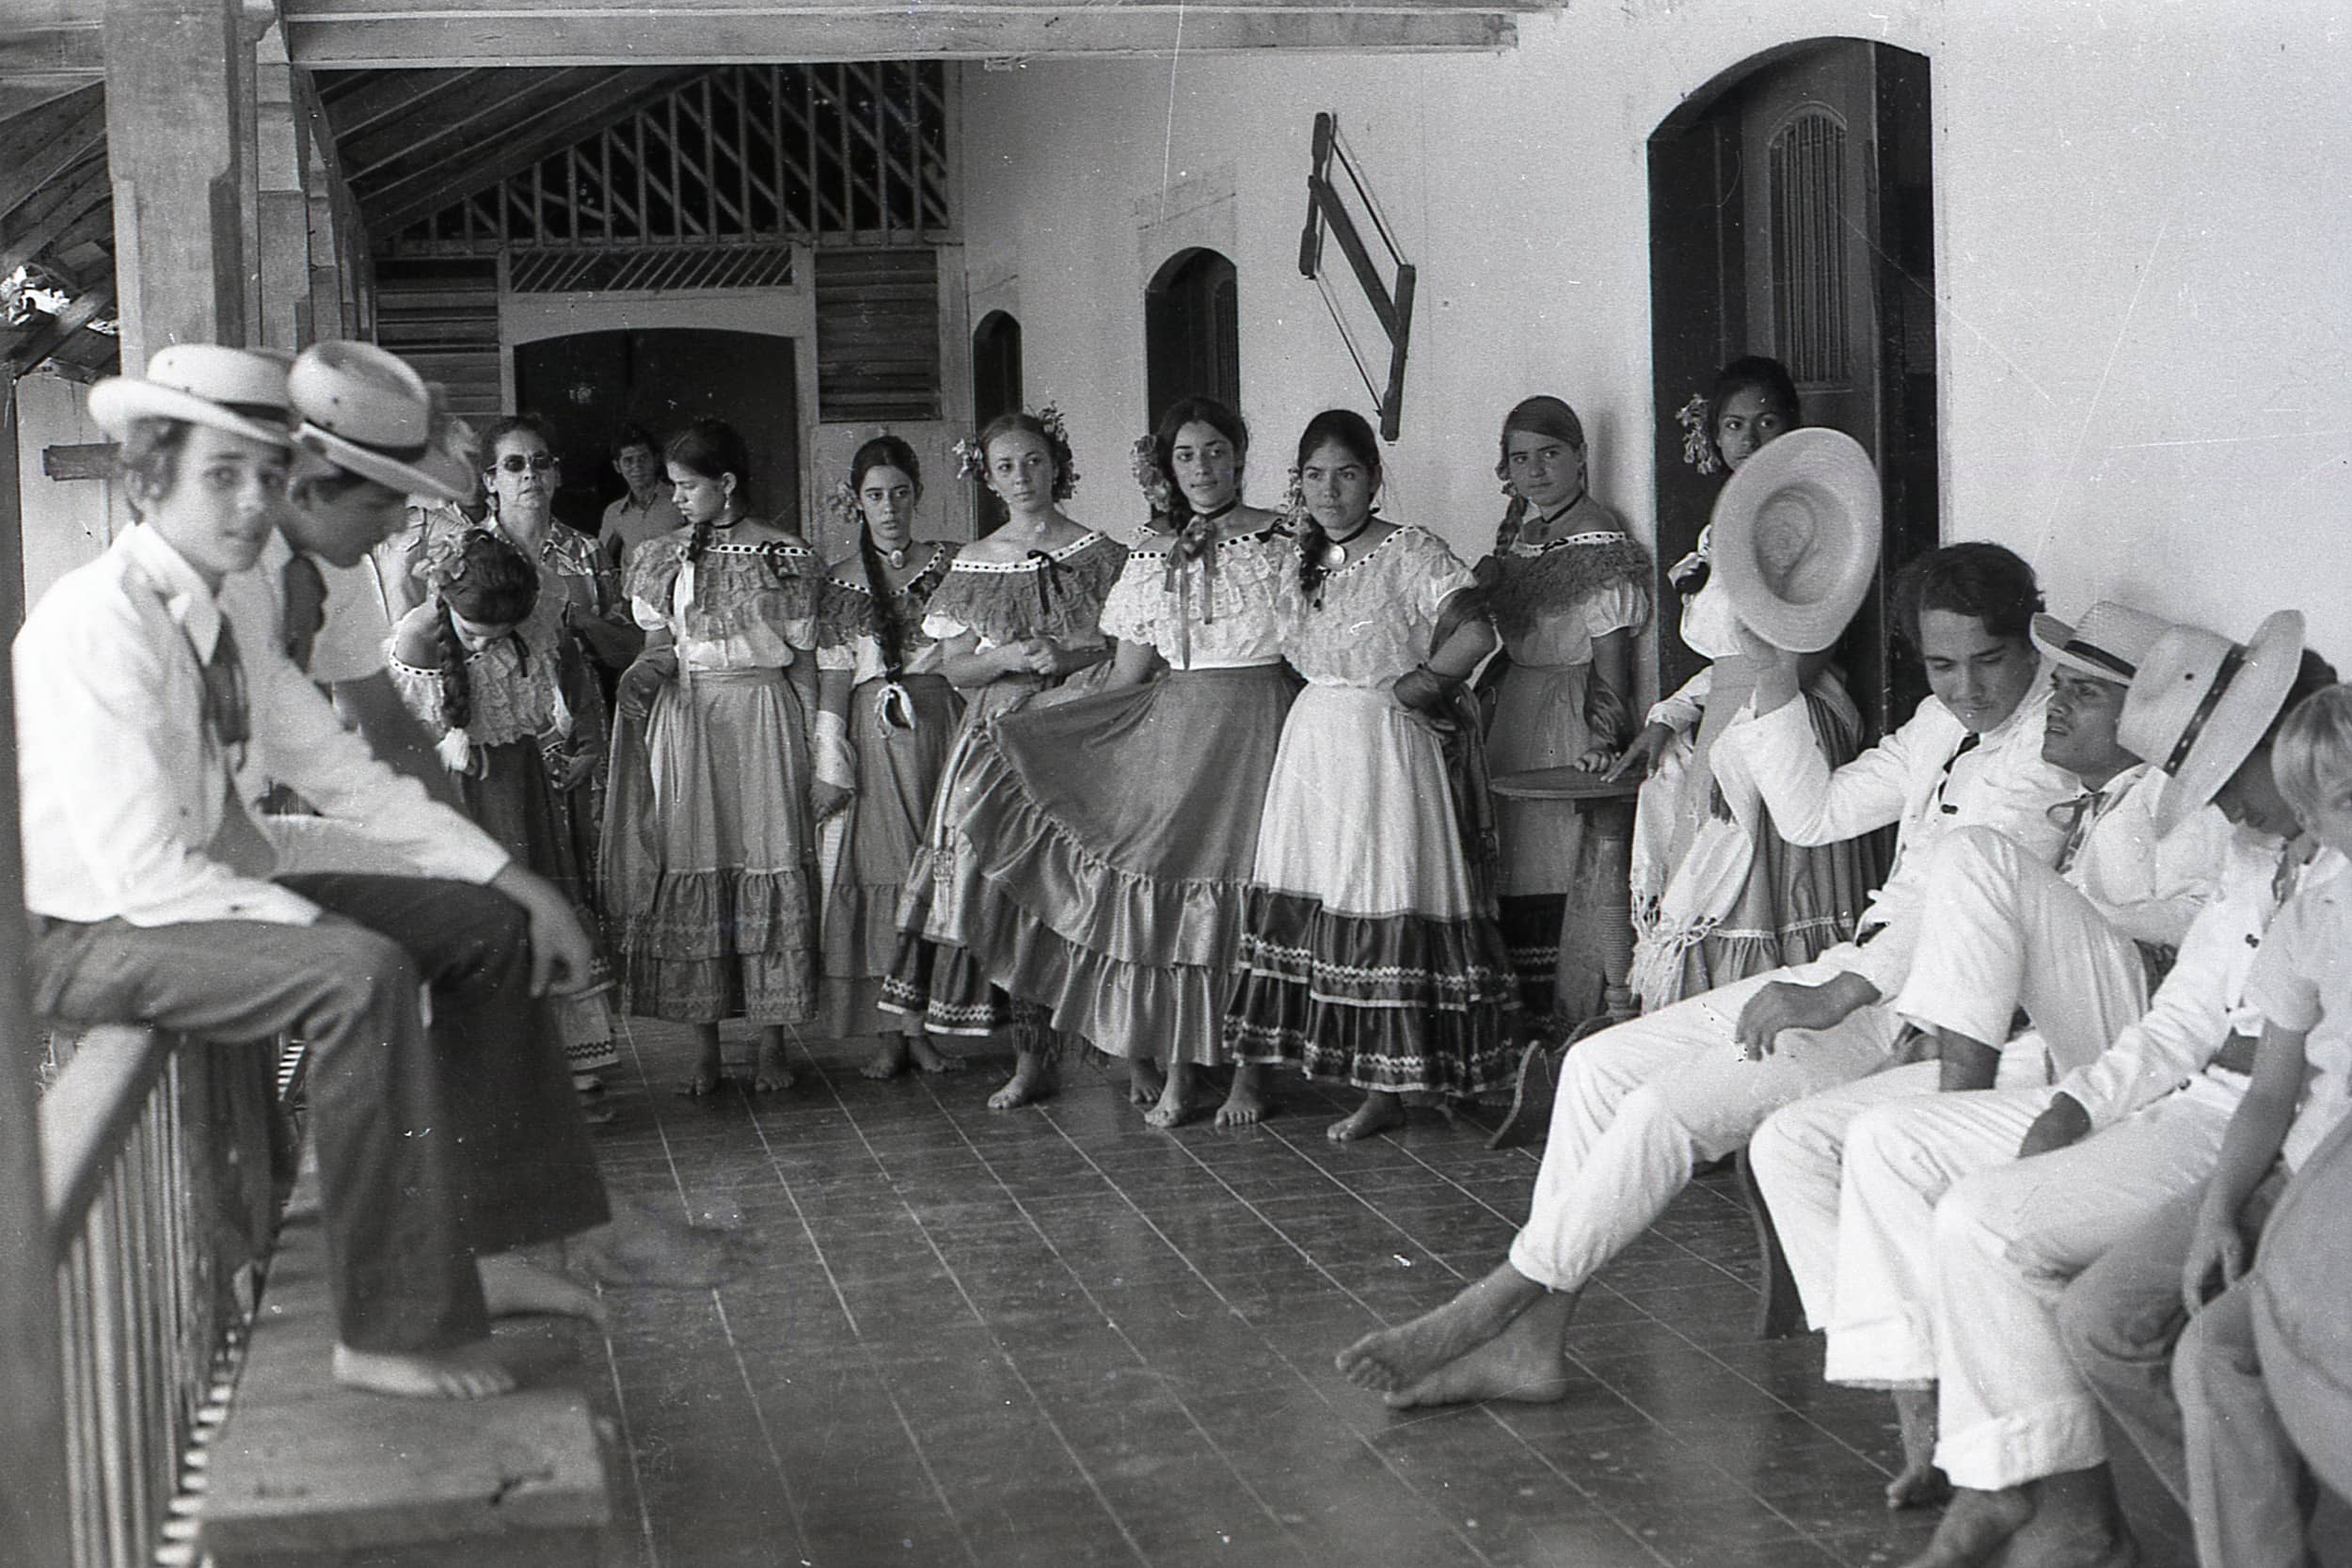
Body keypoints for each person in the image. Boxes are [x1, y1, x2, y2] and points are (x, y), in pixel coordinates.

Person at [1335, 541, 2077, 1408]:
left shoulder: (2048, 748)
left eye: (1988, 662)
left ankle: (1498, 1300)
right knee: (1596, 1066)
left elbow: (1965, 914)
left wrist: (1835, 990)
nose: (1964, 688)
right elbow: (1817, 813)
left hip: (1916, 1008)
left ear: (2030, 639)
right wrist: (1772, 671)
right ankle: (1539, 1332)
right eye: (1943, 665)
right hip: (1856, 974)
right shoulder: (1943, 723)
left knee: (1660, 1113)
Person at [17, 344, 609, 1400]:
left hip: (190, 893)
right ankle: (387, 1324)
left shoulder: (223, 604)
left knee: (481, 931)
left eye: (265, 474)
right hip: (91, 930)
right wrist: (311, 919)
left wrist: (511, 882)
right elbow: (143, 871)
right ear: (148, 478)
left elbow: (334, 763)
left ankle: (493, 1243)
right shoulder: (99, 619)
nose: (250, 504)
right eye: (219, 475)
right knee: (359, 971)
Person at [1803, 614, 2330, 1568]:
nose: (2225, 809)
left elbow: (2287, 1077)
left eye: (2228, 782)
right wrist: (2078, 1103)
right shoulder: (2257, 861)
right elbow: (2178, 1021)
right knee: (1897, 1143)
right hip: (2189, 1100)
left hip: (2253, 1128)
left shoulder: (2330, 870)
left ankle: (2063, 1506)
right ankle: (2004, 1473)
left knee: (1985, 1222)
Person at [1745, 601, 2232, 1507]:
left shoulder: (2181, 803)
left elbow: (2207, 933)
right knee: (1794, 1143)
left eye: (2084, 694)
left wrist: (2068, 917)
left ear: (2144, 716)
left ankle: (1949, 1089)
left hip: (2136, 1045)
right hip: (2046, 1049)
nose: (2056, 704)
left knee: (1978, 855)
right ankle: (1925, 1411)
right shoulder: (2063, 799)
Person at [2059, 682, 2352, 1568]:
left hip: (2336, 1188)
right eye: (2340, 804)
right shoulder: (2310, 919)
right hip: (2296, 1172)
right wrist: (2223, 1210)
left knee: (2216, 1356)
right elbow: (2270, 1095)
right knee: (2106, 1318)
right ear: (2311, 818)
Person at [951, 397, 1300, 1127]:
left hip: (1265, 724)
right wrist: (1040, 720)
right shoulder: (1149, 553)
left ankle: (1249, 1076)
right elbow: (1125, 676)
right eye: (1185, 455)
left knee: (1251, 894)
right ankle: (1178, 1070)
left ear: (1239, 454)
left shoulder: (1286, 538)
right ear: (1167, 468)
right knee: (1176, 896)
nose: (1201, 468)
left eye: (1214, 451)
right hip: (1180, 731)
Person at [1222, 407, 1514, 1142]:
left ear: (1374, 479)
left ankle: (1393, 1085)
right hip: (1313, 743)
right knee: (1322, 897)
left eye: (1347, 474)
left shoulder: (1409, 550)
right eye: (1315, 476)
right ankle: (1362, 1077)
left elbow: (1477, 629)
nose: (1330, 491)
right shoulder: (1298, 557)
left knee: (1381, 893)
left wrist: (1422, 683)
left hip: (1382, 747)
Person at [877, 410, 1127, 1110]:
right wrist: (1010, 656)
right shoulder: (974, 562)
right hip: (1000, 733)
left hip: (1082, 727)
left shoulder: (1102, 554)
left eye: (1034, 462)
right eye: (1007, 466)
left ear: (1058, 465)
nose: (1022, 477)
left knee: (1088, 888)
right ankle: (1030, 1059)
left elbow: (1132, 645)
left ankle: (1127, 1050)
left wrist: (1072, 655)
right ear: (988, 478)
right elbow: (956, 668)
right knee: (1014, 891)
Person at [1613, 355, 1879, 1009]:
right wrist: (1672, 714)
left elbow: (1800, 655)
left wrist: (1726, 741)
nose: (1751, 439)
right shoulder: (1727, 525)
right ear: (1716, 437)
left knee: (1751, 853)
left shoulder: (1813, 514)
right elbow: (1727, 656)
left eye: (1767, 420)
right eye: (1735, 425)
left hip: (1786, 709)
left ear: (1793, 424)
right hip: (1734, 701)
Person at [605, 418, 824, 1096]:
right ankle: (704, 1046)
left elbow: (807, 661)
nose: (676, 499)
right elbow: (658, 647)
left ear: (726, 484)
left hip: (763, 716)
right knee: (692, 859)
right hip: (689, 720)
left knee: (767, 855)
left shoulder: (785, 555)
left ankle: (770, 1042)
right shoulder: (662, 556)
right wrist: (644, 674)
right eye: (672, 487)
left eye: (688, 486)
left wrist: (824, 749)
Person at [386, 529, 623, 1110]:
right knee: (482, 914)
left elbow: (570, 670)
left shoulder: (538, 613)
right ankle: (486, 1069)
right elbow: (399, 747)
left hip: (522, 788)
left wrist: (583, 739)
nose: (492, 646)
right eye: (475, 636)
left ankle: (566, 1059)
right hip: (459, 798)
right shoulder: (416, 642)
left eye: (503, 636)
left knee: (541, 897)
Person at [216, 341, 471, 811]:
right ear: (305, 491)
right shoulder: (216, 585)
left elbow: (391, 728)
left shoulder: (333, 566)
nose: (398, 525)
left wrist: (475, 859)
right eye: (379, 505)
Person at [1474, 396, 1650, 1022]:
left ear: (1581, 457)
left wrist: (1604, 734)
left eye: (1550, 454)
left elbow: (1611, 661)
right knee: (1512, 852)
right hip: (1516, 703)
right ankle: (1520, 1010)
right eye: (1521, 459)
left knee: (1552, 849)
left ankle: (1562, 1010)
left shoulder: (1596, 537)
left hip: (1567, 707)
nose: (1537, 470)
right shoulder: (1528, 534)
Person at [808, 436, 966, 1079]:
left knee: (938, 870)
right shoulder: (841, 582)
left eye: (900, 492)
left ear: (917, 494)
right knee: (884, 876)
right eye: (875, 495)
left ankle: (925, 1024)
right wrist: (830, 762)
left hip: (941, 727)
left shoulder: (951, 564)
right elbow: (834, 679)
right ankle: (889, 1030)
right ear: (857, 501)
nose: (890, 506)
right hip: (875, 739)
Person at [600, 422, 684, 573]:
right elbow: (601, 561)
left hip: (675, 593)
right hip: (632, 594)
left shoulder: (680, 500)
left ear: (656, 460)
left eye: (643, 458)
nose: (636, 466)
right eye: (628, 460)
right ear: (617, 467)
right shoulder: (614, 512)